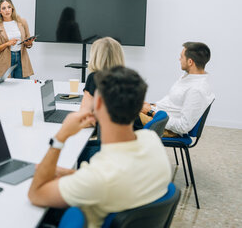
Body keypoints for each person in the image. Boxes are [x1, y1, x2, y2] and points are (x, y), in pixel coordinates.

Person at [28, 66, 171, 228]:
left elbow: (36, 194)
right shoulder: (151, 139)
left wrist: (61, 137)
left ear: (99, 103)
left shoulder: (99, 178)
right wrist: (70, 173)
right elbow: (113, 180)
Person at [140, 42, 214, 136]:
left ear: (190, 62)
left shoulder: (197, 89)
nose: (179, 59)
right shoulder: (188, 77)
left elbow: (183, 126)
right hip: (158, 116)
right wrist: (151, 106)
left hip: (164, 127)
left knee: (120, 116)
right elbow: (172, 103)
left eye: (182, 57)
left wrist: (150, 112)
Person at [0, 0, 35, 79]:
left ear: (12, 8)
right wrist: (7, 44)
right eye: (4, 8)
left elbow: (28, 42)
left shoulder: (22, 21)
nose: (7, 10)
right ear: (0, 11)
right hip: (5, 61)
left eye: (9, 7)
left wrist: (29, 43)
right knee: (5, 88)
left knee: (23, 87)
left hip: (22, 58)